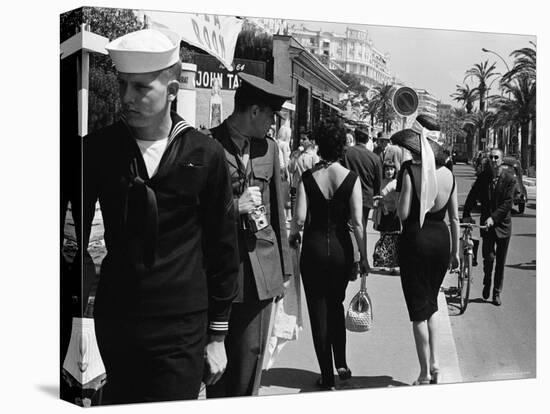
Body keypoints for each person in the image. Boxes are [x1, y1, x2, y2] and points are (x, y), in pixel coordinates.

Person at [82, 29, 239, 404]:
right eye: (122, 85)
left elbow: (223, 249)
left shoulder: (205, 154)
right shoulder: (97, 150)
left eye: (140, 88)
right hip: (117, 318)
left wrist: (217, 336)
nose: (126, 98)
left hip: (181, 325)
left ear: (171, 91)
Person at [204, 72, 294, 397]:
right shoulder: (208, 145)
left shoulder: (268, 149)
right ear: (254, 111)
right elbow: (195, 214)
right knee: (217, 367)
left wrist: (283, 273)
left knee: (250, 360)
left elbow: (277, 214)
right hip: (222, 273)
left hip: (261, 273)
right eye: (270, 115)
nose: (272, 123)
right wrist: (233, 207)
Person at [288, 116, 369, 390]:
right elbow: (358, 222)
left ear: (319, 146)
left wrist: (292, 236)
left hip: (313, 249)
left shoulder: (308, 178)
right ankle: (342, 362)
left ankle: (326, 375)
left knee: (318, 310)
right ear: (341, 146)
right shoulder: (351, 179)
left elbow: (298, 219)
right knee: (335, 304)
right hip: (340, 250)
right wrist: (364, 257)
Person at [391, 125, 460, 386]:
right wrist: (455, 253)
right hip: (441, 241)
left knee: (418, 310)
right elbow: (453, 217)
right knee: (432, 303)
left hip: (416, 242)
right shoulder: (449, 175)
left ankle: (424, 372)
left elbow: (405, 212)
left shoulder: (409, 171)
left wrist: (394, 200)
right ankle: (436, 362)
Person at [462, 148, 516, 306]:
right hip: (487, 227)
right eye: (491, 157)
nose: (493, 160)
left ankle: (496, 292)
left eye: (496, 158)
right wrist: (466, 213)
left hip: (503, 226)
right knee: (488, 258)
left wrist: (494, 218)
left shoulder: (509, 179)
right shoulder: (483, 177)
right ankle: (487, 281)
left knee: (500, 262)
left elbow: (507, 203)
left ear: (501, 160)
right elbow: (472, 196)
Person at [342, 126, 382, 256]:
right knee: (361, 226)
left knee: (348, 227)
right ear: (368, 139)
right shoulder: (374, 158)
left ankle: (351, 255)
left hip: (347, 196)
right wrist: (375, 194)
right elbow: (378, 181)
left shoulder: (346, 153)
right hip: (365, 198)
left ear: (354, 136)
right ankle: (361, 255)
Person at [372, 161, 400, 271]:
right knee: (383, 237)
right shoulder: (381, 183)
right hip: (383, 213)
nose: (389, 172)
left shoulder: (397, 183)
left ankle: (393, 265)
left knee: (394, 238)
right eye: (387, 169)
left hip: (394, 213)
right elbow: (377, 197)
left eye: (391, 169)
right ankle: (383, 261)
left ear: (395, 171)